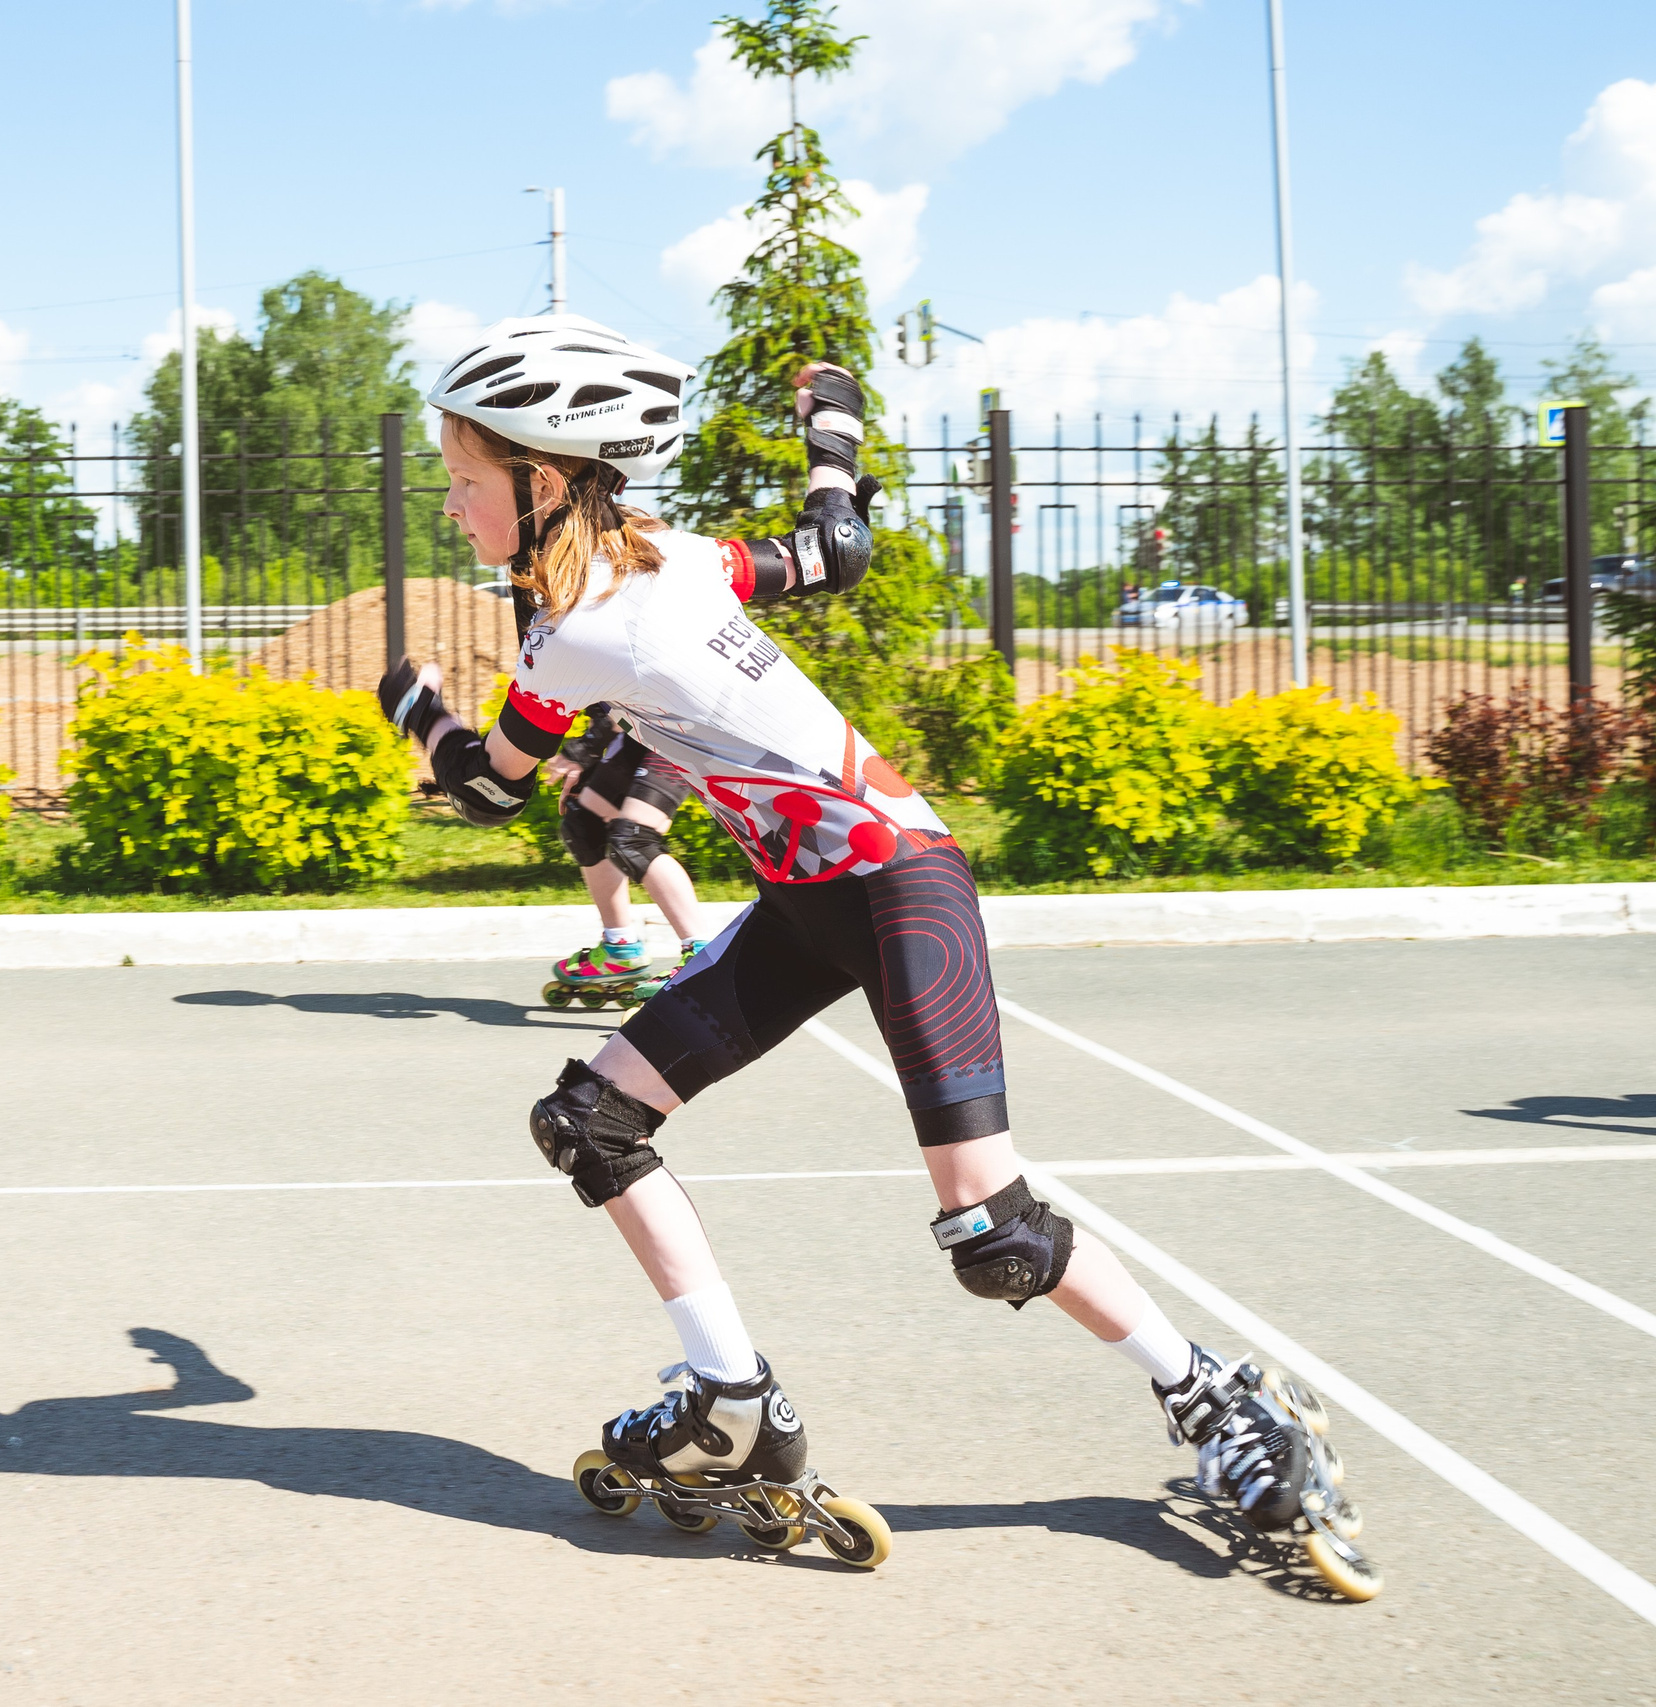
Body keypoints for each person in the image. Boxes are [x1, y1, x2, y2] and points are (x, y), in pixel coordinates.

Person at [379, 313, 1370, 1590]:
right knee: (592, 1123)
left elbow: (491, 788)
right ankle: (731, 1398)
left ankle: (1216, 1402)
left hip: (901, 887)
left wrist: (413, 706)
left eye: (464, 481)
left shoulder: (576, 638)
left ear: (545, 481)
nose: (451, 507)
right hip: (806, 902)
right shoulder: (677, 559)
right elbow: (832, 552)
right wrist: (832, 427)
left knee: (992, 1231)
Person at [540, 703, 711, 1005]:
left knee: (634, 838)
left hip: (685, 724)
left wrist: (585, 749)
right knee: (584, 824)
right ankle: (619, 949)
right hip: (641, 725)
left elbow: (628, 684)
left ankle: (701, 957)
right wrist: (591, 756)